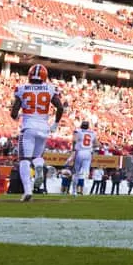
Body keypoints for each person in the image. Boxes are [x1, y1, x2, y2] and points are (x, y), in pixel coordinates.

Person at [10, 64, 65, 202]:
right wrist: (56, 123)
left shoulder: (22, 88)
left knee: (24, 160)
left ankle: (28, 190)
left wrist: (17, 117)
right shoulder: (50, 88)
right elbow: (60, 107)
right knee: (37, 156)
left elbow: (14, 113)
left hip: (28, 126)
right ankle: (39, 167)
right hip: (43, 127)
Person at [71, 120, 96, 196]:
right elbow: (97, 143)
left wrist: (73, 148)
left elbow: (74, 140)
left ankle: (74, 191)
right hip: (88, 153)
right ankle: (86, 187)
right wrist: (91, 146)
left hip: (80, 152)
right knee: (86, 171)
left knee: (76, 173)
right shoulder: (92, 133)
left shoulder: (77, 131)